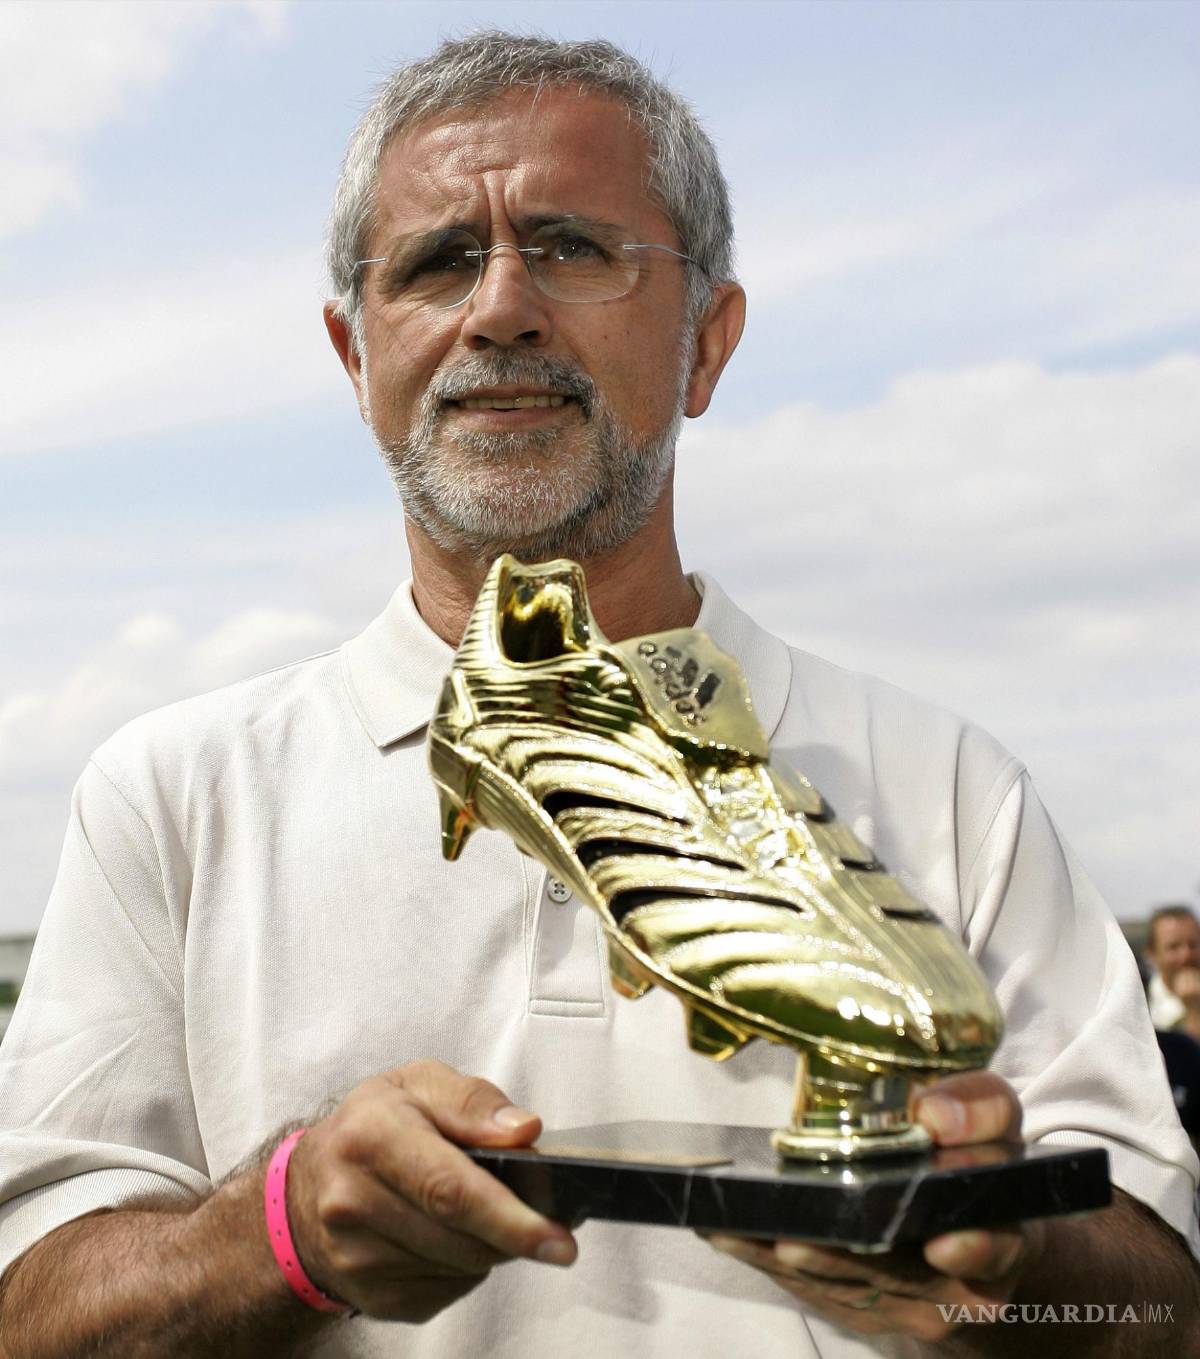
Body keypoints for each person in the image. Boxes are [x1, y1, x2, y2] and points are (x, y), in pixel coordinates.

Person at [0, 32, 1197, 1359]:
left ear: (706, 342)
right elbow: (31, 1313)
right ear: (355, 355)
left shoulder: (949, 785)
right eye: (438, 260)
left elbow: (1164, 1306)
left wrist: (1014, 1261)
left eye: (573, 248)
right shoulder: (173, 796)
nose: (501, 309)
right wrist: (276, 1233)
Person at [1146, 904, 1200, 1039]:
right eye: (1173, 947)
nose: (1186, 955)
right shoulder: (1142, 1003)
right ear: (1152, 954)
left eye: (1193, 945)